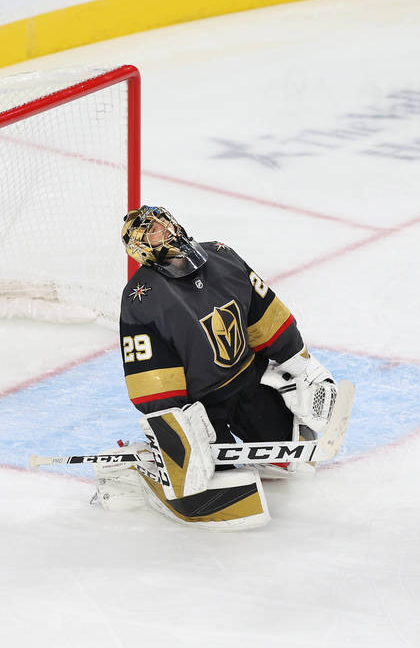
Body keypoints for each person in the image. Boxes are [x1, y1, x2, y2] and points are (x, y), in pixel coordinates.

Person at [96, 205, 345, 530]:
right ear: (141, 247)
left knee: (298, 459)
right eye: (153, 231)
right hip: (201, 408)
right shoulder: (141, 298)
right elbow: (149, 375)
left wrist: (300, 363)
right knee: (211, 479)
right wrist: (176, 423)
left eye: (164, 223)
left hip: (249, 383)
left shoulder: (221, 256)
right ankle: (148, 471)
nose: (165, 231)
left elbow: (265, 316)